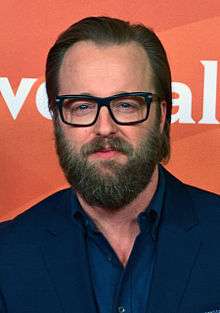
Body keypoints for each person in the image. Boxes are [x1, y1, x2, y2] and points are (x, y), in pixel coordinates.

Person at [0, 16, 220, 313]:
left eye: (126, 104)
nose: (104, 128)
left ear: (162, 116)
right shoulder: (8, 255)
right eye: (82, 106)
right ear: (57, 121)